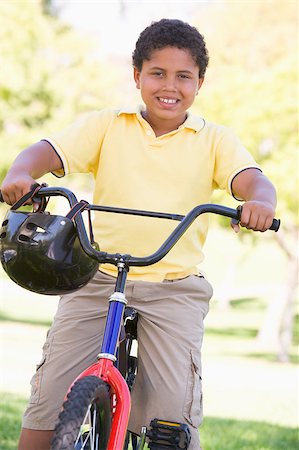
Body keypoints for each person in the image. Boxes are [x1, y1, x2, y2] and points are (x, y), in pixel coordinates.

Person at [1, 18, 276, 450]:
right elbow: (47, 152)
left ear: (200, 83)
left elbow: (251, 180)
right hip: (98, 275)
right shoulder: (109, 125)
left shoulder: (215, 140)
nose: (170, 85)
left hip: (173, 286)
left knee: (172, 423)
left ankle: (165, 426)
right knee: (51, 398)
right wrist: (21, 172)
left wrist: (260, 202)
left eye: (184, 76)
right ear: (137, 76)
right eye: (157, 73)